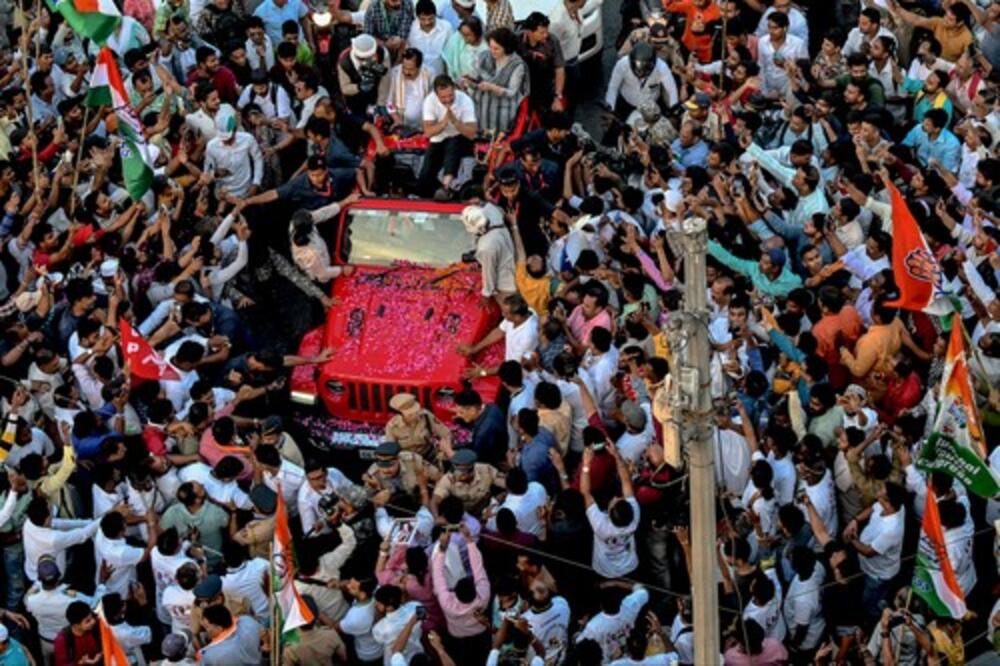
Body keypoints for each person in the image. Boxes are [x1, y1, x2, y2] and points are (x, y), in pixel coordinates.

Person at [419, 74, 478, 198]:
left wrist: (455, 122)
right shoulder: (429, 101)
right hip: (438, 139)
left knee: (453, 143)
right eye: (443, 97)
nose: (448, 100)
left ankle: (446, 186)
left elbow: (472, 133)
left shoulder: (465, 100)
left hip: (461, 138)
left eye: (451, 95)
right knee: (426, 173)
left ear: (454, 89)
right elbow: (428, 132)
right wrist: (444, 122)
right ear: (436, 95)